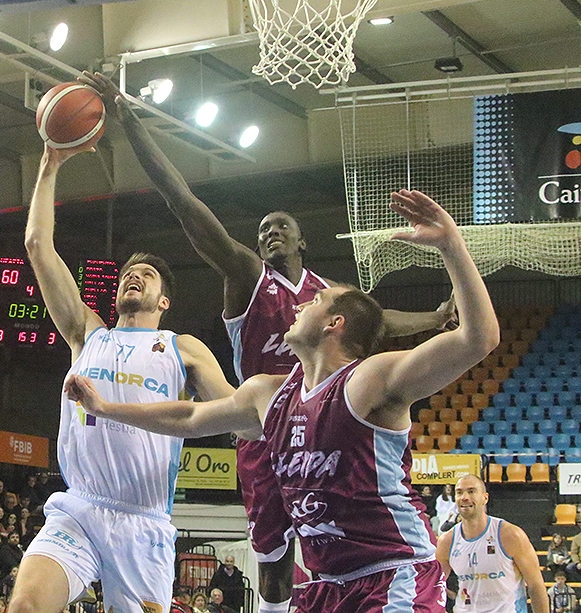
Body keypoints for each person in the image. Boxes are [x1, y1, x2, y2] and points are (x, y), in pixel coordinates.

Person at [80, 70, 454, 613]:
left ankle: (395, 577)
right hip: (266, 424)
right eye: (260, 230)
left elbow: (381, 322)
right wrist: (131, 120)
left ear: (303, 239)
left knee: (351, 531)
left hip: (329, 417)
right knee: (275, 565)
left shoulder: (328, 297)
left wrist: (433, 315)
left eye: (280, 226)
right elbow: (186, 206)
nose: (268, 234)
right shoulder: (247, 277)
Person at [66, 190, 496, 613]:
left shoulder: (370, 379)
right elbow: (191, 414)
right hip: (326, 586)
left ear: (334, 324)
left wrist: (450, 246)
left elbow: (478, 338)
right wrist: (105, 408)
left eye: (315, 301)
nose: (302, 303)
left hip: (394, 572)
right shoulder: (268, 392)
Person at [11, 143, 247, 613]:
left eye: (146, 276)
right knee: (25, 606)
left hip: (142, 520)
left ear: (164, 302)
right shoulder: (86, 333)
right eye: (127, 275)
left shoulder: (182, 348)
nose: (132, 278)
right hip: (78, 508)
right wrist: (49, 162)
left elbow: (237, 417)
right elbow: (38, 245)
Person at [436, 475, 548, 613]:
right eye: (459, 492)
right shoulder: (447, 541)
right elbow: (434, 587)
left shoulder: (510, 535)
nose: (464, 497)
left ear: (485, 498)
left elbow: (536, 585)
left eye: (471, 491)